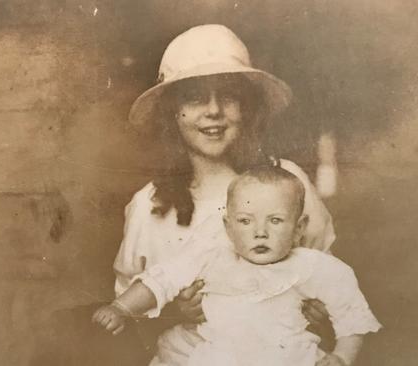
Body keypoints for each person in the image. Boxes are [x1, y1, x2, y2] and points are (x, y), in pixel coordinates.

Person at [110, 24, 338, 364]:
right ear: (172, 112)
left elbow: (325, 277)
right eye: (195, 97)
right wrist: (176, 311)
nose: (213, 111)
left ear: (247, 107)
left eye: (228, 95)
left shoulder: (287, 181)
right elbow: (126, 313)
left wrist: (318, 309)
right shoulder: (149, 205)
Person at [94, 166, 382, 366]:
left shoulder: (315, 267)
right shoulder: (211, 256)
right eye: (245, 221)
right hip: (217, 355)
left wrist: (342, 357)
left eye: (276, 220)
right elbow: (161, 280)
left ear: (298, 228)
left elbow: (352, 315)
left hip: (286, 357)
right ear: (228, 227)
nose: (260, 232)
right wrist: (121, 308)